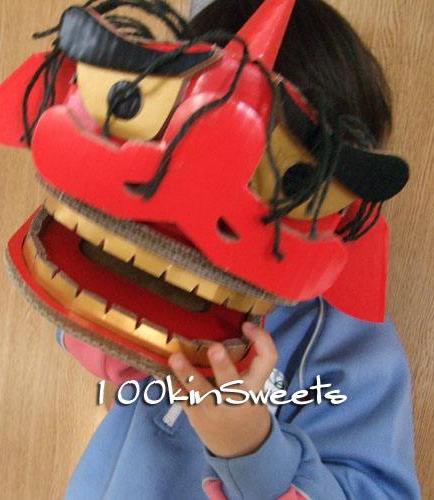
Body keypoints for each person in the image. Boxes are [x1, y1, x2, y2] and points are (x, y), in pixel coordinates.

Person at [54, 1, 421, 499]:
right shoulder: (168, 257)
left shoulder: (348, 345)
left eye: (273, 177)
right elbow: (90, 340)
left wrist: (251, 449)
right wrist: (110, 267)